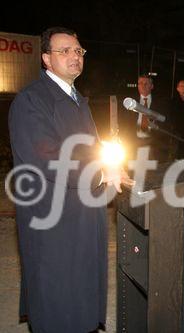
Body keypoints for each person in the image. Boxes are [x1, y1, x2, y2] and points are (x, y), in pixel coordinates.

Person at [8, 26, 125, 332]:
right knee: (58, 304)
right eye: (65, 51)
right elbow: (49, 157)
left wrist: (110, 168)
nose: (75, 56)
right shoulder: (31, 101)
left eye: (78, 50)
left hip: (83, 216)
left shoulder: (77, 101)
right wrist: (100, 171)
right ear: (46, 59)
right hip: (53, 222)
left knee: (80, 298)